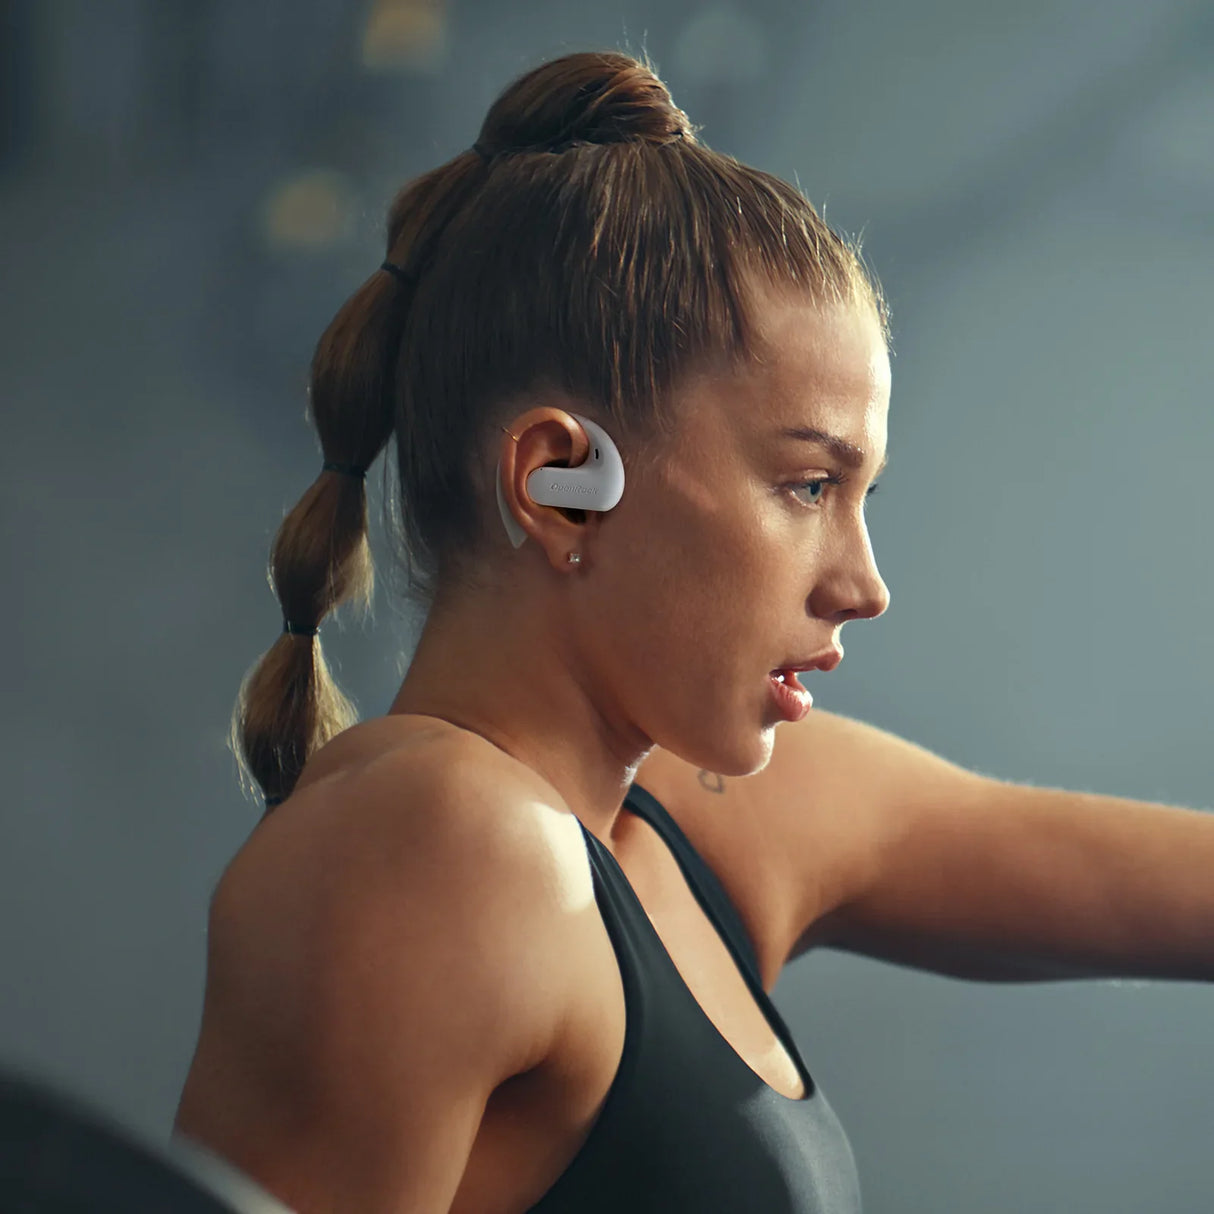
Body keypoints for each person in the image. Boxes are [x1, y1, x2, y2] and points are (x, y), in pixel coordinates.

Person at [171, 47, 1214, 1214]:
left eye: (857, 496)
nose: (864, 585)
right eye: (807, 486)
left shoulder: (703, 815)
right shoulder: (434, 838)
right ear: (559, 482)